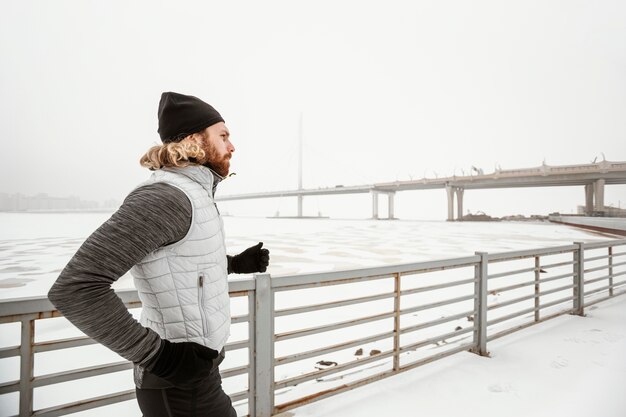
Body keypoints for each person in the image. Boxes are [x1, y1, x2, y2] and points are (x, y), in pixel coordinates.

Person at [48, 92, 270, 416]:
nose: (232, 147)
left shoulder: (197, 194)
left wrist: (233, 264)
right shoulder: (165, 199)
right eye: (223, 136)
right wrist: (160, 357)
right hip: (176, 386)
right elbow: (77, 288)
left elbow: (184, 267)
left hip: (200, 373)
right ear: (195, 139)